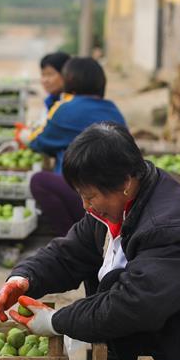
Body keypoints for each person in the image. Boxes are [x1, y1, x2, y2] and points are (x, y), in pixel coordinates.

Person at [0, 122, 180, 360]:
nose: (85, 206)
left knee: (118, 290)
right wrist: (24, 278)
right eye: (81, 195)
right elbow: (68, 253)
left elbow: (134, 304)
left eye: (90, 196)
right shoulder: (112, 210)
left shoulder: (174, 227)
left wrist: (56, 321)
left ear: (124, 182)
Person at [28, 57, 127, 236]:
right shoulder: (113, 109)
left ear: (69, 81)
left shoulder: (66, 109)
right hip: (117, 197)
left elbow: (39, 142)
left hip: (87, 196)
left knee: (39, 181)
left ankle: (70, 238)